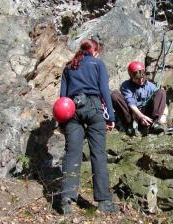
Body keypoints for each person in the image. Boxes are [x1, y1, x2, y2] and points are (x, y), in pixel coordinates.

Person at [58, 39, 119, 214]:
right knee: (98, 153)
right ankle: (104, 202)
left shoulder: (69, 66)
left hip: (72, 110)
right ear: (95, 51)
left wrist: (63, 121)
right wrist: (111, 117)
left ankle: (66, 199)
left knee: (72, 153)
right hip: (93, 107)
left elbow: (63, 96)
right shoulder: (98, 63)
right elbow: (104, 90)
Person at [111, 61, 168, 135]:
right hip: (131, 113)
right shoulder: (126, 85)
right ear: (131, 77)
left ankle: (155, 123)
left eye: (142, 78)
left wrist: (163, 115)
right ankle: (129, 125)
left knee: (161, 92)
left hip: (146, 113)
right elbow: (130, 102)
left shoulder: (150, 86)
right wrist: (140, 116)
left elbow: (161, 101)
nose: (140, 81)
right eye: (137, 78)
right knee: (114, 95)